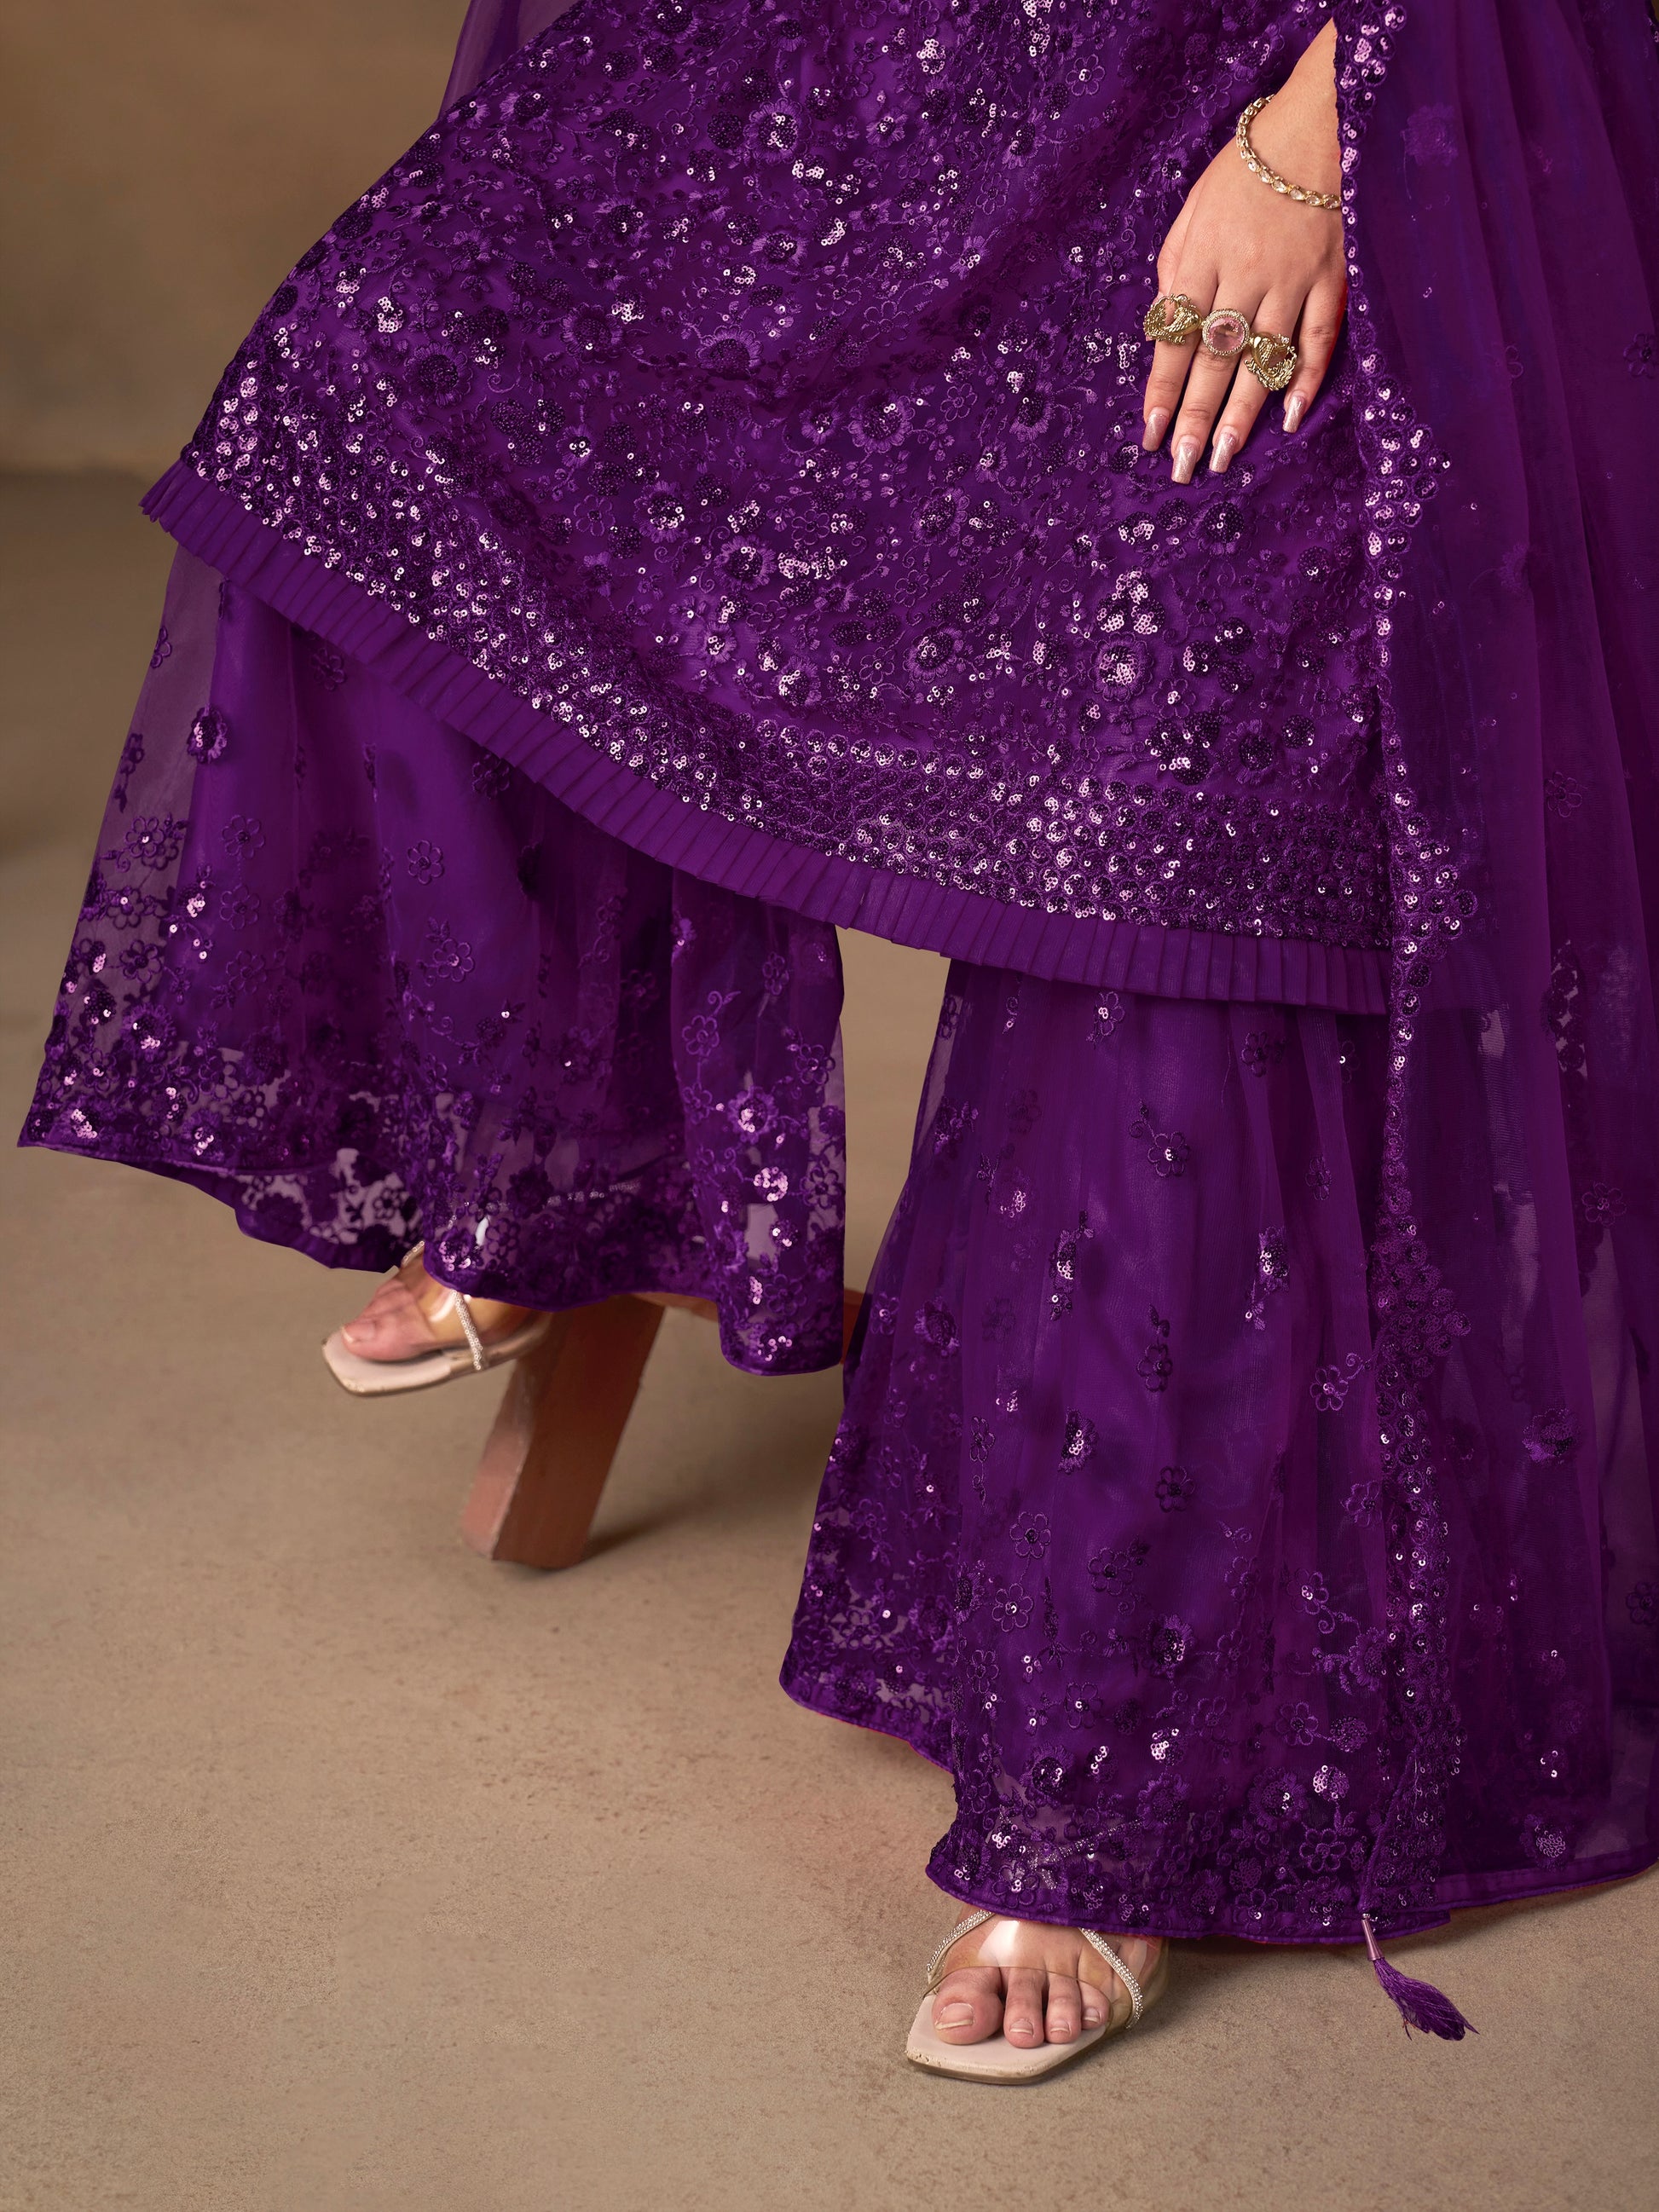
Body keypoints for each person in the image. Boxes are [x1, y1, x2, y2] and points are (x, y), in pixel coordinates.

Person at [23, 0, 1659, 2080]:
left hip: (1313, 86)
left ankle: (1107, 1754)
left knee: (1161, 798)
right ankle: (552, 1144)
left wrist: (1316, 141)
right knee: (382, 367)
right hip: (905, 52)